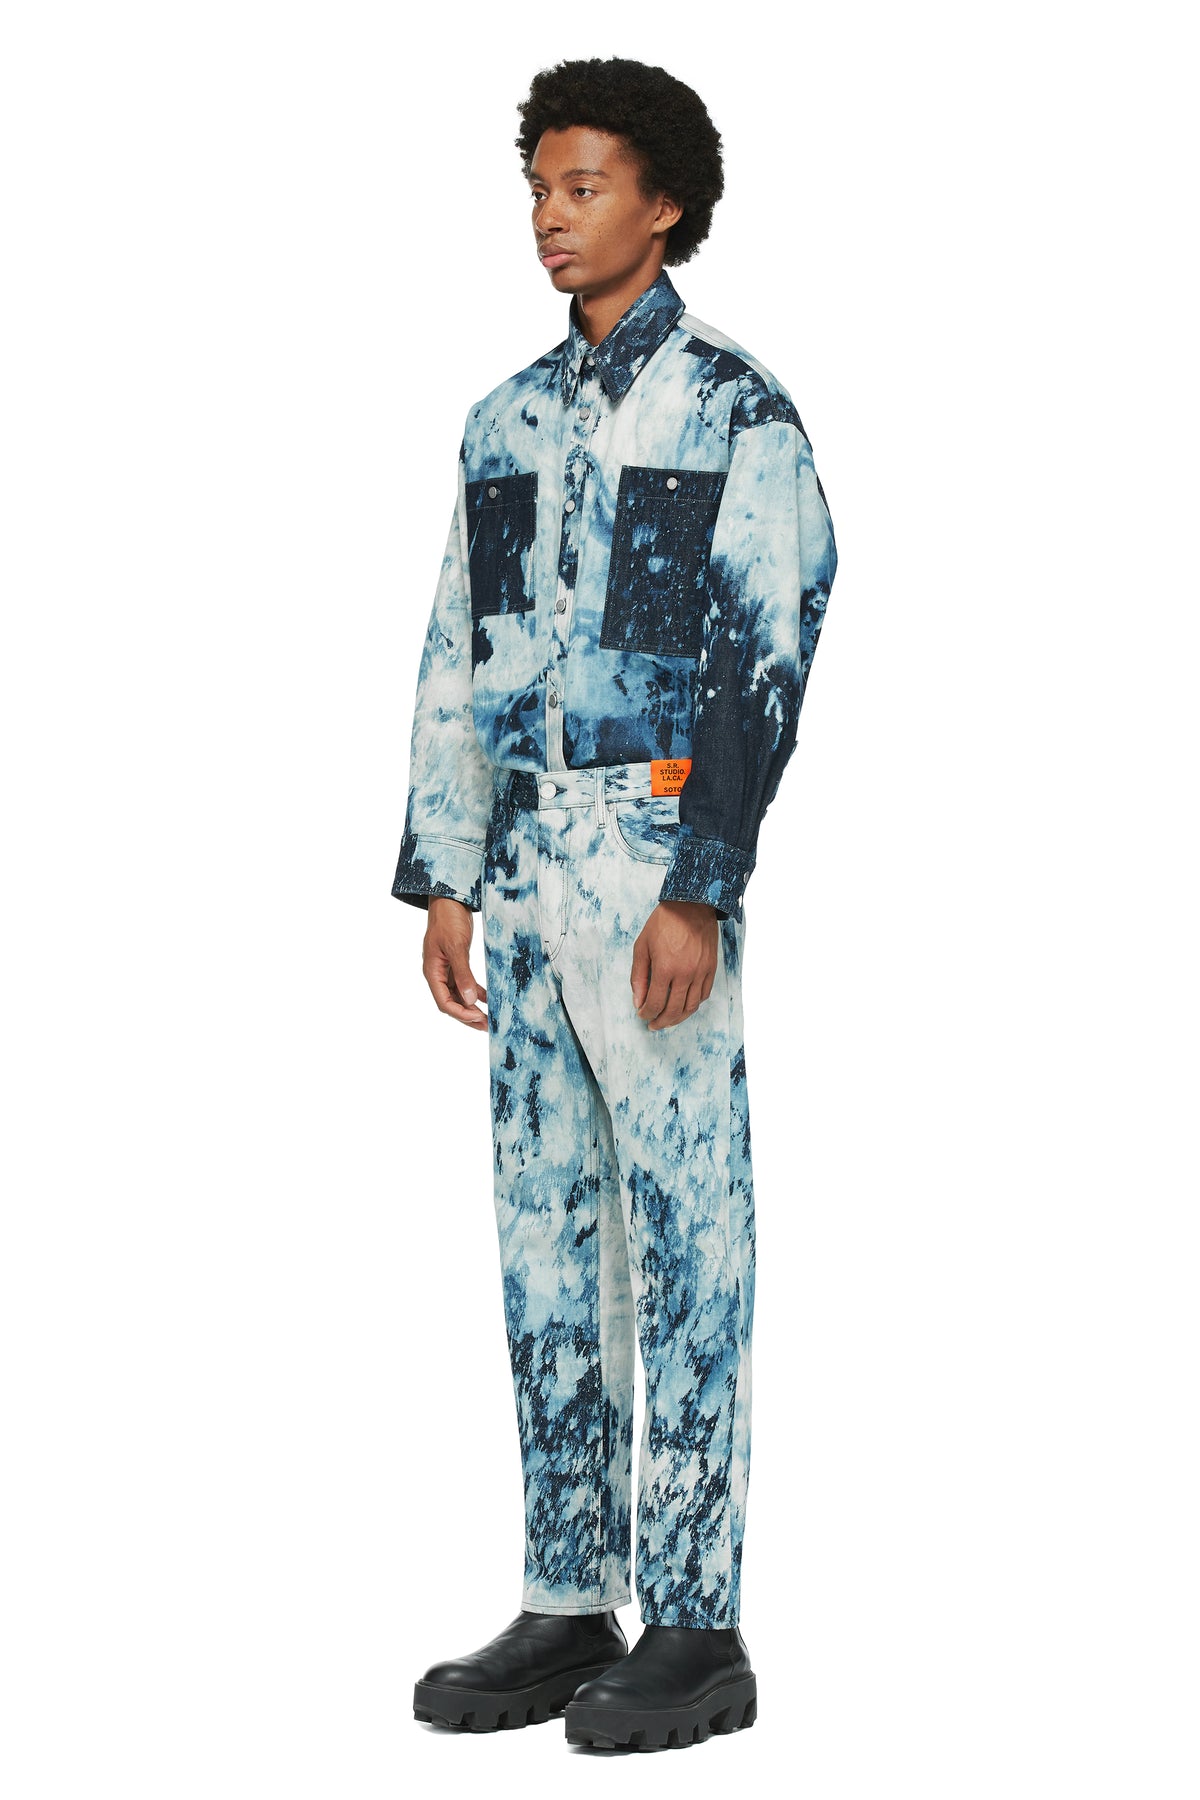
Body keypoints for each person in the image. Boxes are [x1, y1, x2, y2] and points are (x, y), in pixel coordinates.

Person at [392, 55, 838, 1752]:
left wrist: (701, 883)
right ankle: (569, 1591)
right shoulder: (500, 422)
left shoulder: (733, 412)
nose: (551, 217)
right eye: (539, 187)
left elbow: (765, 649)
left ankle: (698, 1621)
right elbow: (456, 649)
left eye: (584, 187)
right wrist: (445, 869)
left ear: (665, 204)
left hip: (653, 861)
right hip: (522, 875)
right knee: (546, 1235)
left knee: (690, 1234)